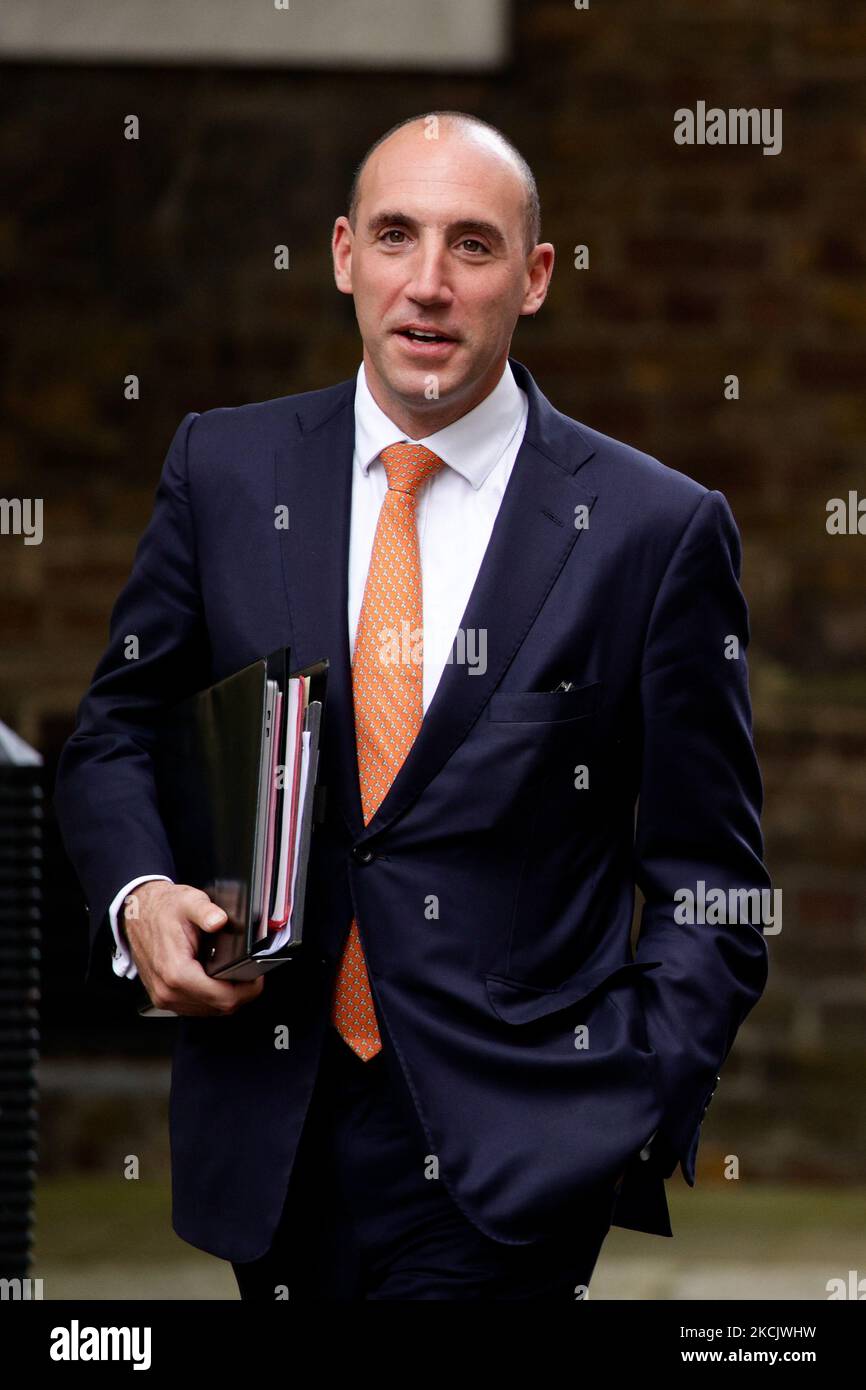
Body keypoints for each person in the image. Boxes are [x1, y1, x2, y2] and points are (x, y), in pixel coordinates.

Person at [54, 110, 770, 1300]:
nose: (426, 284)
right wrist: (137, 900)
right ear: (343, 254)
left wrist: (626, 1100)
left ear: (534, 276)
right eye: (395, 236)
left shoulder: (651, 531)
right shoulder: (222, 472)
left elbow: (714, 879)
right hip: (270, 1119)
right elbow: (118, 730)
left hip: (514, 1151)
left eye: (471, 245)